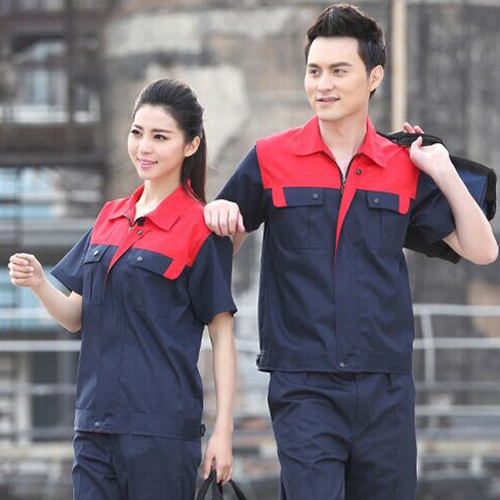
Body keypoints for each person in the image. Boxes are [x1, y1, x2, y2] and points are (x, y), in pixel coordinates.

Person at [203, 4, 498, 500]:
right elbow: (222, 245)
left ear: (373, 76)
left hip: (385, 387)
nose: (323, 85)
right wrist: (220, 213)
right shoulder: (271, 157)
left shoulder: (402, 165)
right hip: (304, 385)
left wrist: (442, 169)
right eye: (314, 71)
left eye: (339, 71)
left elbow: (483, 249)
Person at [8, 78, 238, 500]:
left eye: (160, 137)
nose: (144, 147)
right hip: (94, 427)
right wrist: (39, 283)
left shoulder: (200, 228)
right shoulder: (110, 217)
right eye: (137, 133)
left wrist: (223, 431)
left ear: (190, 145)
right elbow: (75, 318)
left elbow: (222, 335)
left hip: (161, 432)